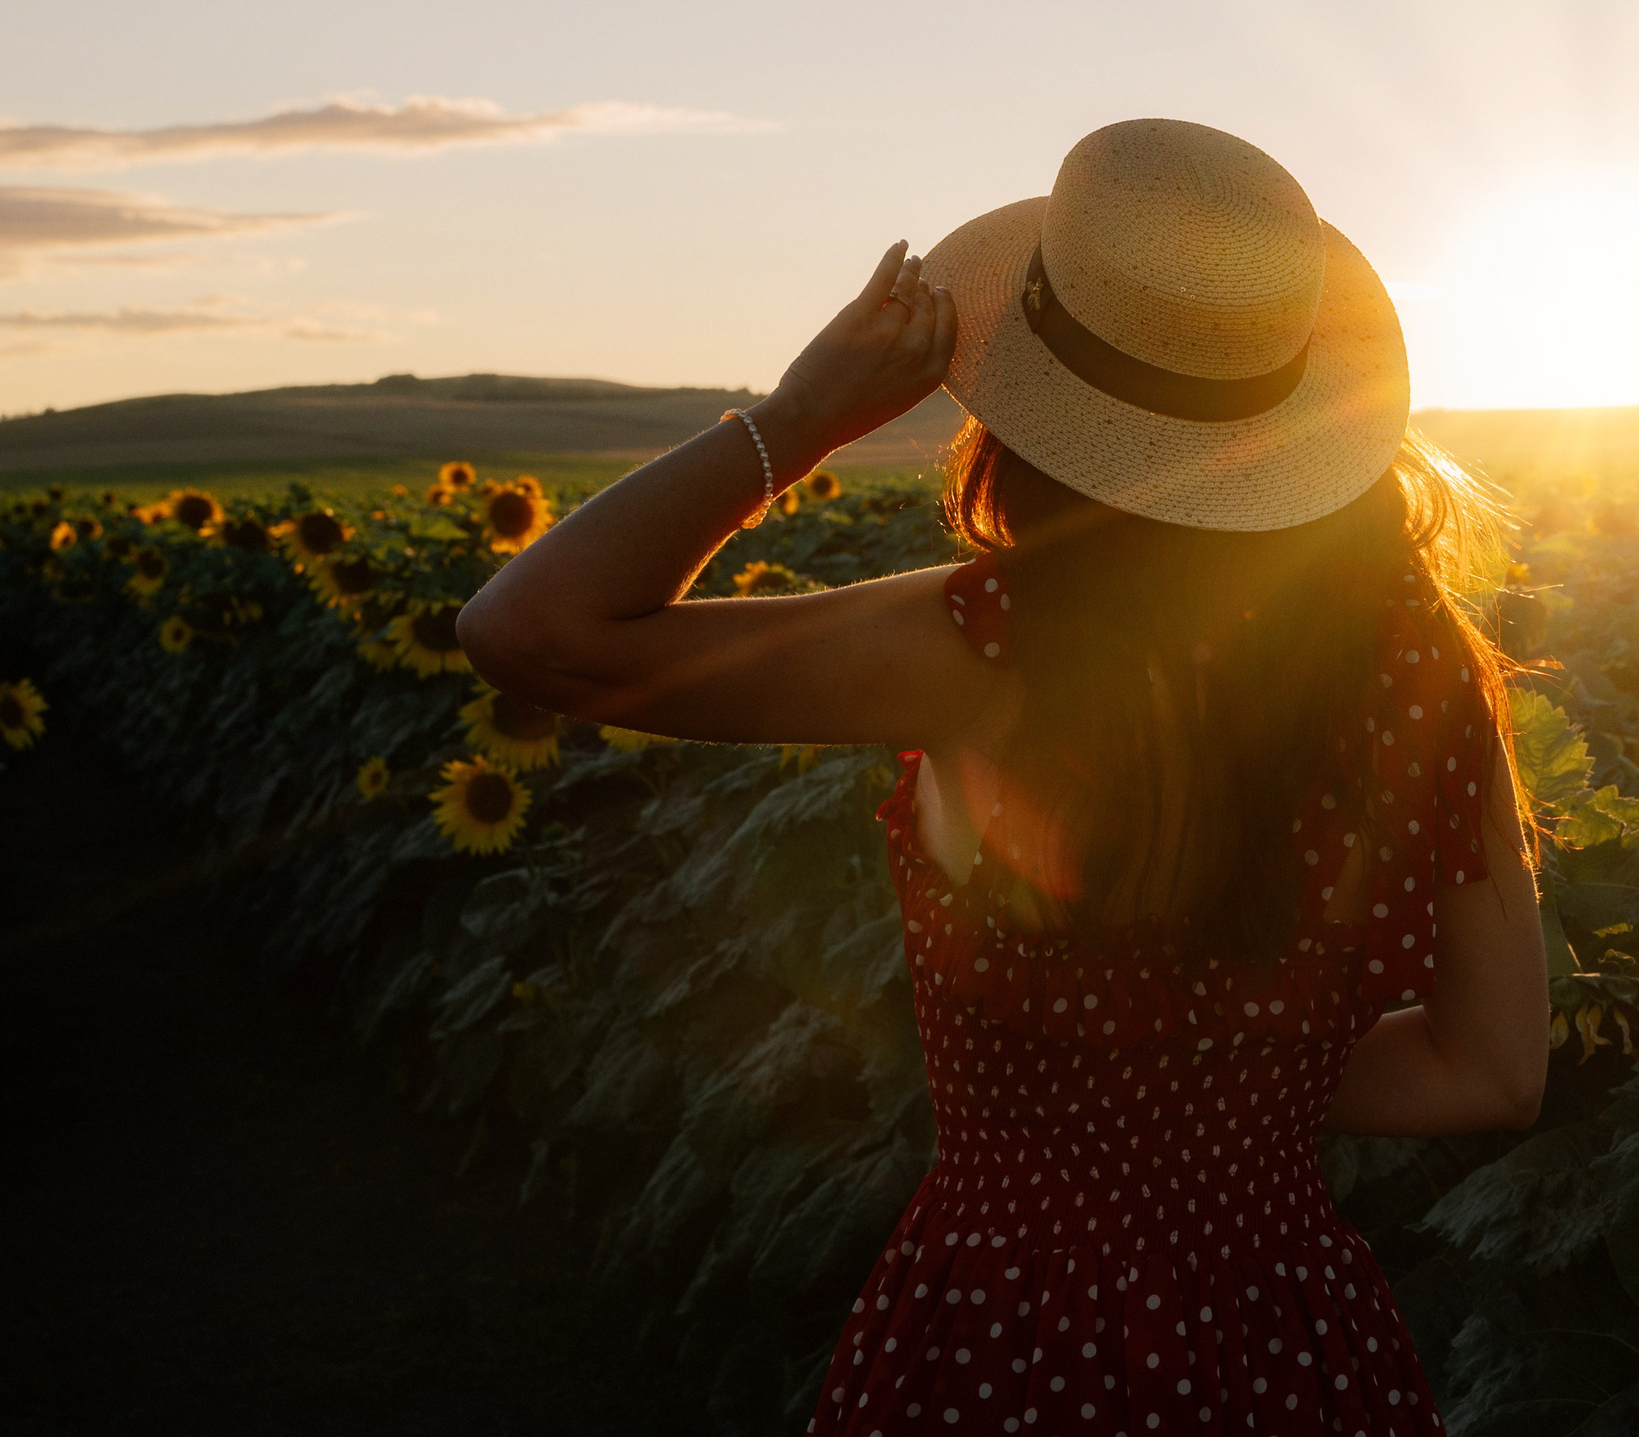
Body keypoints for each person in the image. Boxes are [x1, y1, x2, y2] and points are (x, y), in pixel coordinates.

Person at [458, 118, 1550, 1435]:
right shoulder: (1430, 676)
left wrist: (796, 422)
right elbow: (1493, 1071)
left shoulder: (983, 653)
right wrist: (1233, 1084)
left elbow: (533, 631)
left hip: (1013, 1337)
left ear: (1027, 426)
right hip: (1292, 1348)